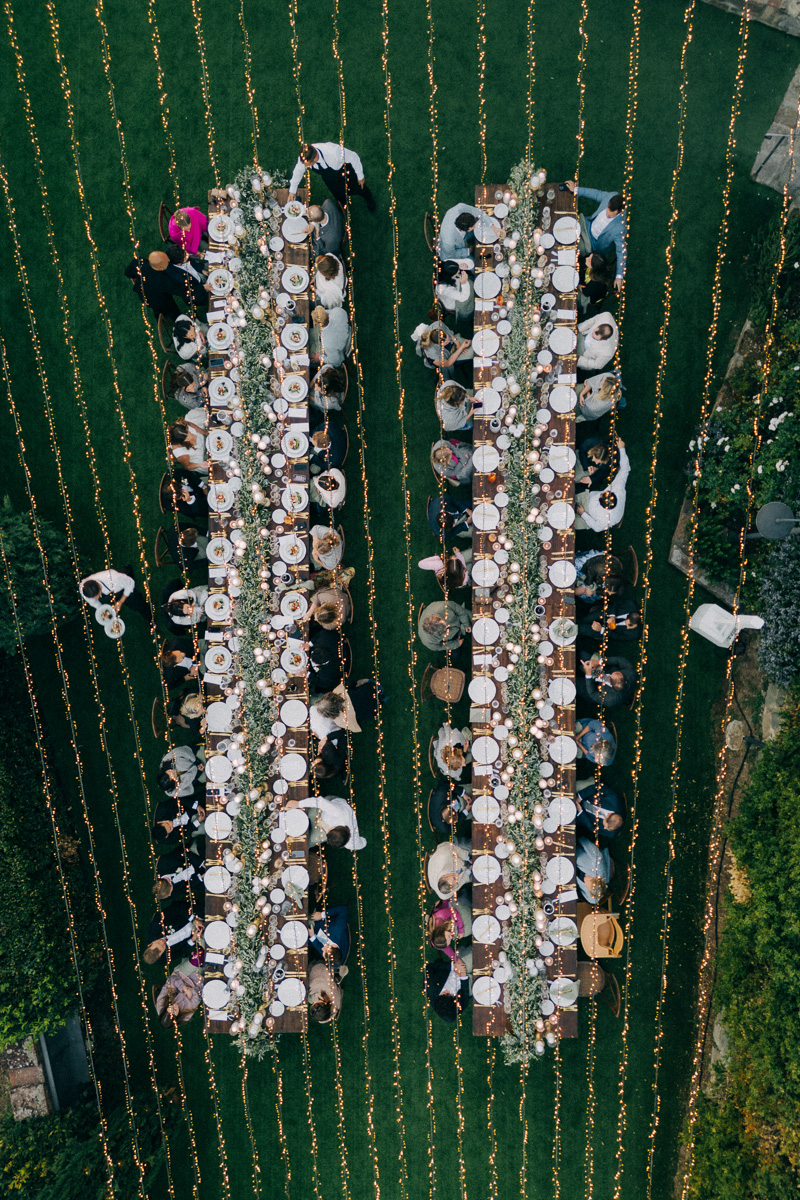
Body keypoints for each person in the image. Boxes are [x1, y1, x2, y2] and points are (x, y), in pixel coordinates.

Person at [565, 183, 627, 290]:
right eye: (607, 209)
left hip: (592, 243)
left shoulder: (619, 228)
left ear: (619, 212)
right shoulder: (612, 196)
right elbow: (596, 194)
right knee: (566, 226)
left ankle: (565, 274)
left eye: (611, 214)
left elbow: (621, 251)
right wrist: (576, 189)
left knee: (569, 247)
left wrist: (619, 276)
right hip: (587, 225)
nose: (607, 214)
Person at [288, 141, 375, 211]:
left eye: (308, 165)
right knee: (337, 192)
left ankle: (369, 199)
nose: (306, 167)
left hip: (343, 172)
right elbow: (298, 171)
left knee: (358, 188)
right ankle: (342, 202)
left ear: (315, 158)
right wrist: (292, 190)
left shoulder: (333, 152)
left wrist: (360, 176)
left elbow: (353, 157)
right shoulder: (304, 156)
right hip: (329, 178)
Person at [575, 438, 630, 532]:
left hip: (588, 517)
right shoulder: (618, 488)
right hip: (586, 496)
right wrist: (622, 449)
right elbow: (625, 469)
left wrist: (583, 514)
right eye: (604, 492)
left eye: (600, 496)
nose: (601, 493)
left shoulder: (605, 520)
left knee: (566, 522)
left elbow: (597, 528)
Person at [124, 251, 185, 319]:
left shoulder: (140, 286)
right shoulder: (151, 269)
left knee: (166, 309)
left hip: (156, 301)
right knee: (173, 308)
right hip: (162, 296)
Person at [437, 203, 500, 268]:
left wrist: (493, 227)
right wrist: (469, 250)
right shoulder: (448, 241)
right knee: (474, 265)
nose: (475, 226)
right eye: (473, 226)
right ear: (466, 229)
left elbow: (478, 212)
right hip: (453, 251)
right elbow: (451, 255)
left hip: (463, 236)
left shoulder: (460, 208)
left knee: (482, 229)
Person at [295, 794, 366, 851]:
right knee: (303, 813)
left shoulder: (351, 843)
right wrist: (298, 804)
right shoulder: (338, 812)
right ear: (335, 827)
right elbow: (320, 802)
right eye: (329, 831)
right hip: (323, 810)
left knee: (306, 844)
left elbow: (363, 843)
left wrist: (325, 827)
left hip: (324, 826)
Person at [143, 900, 203, 966]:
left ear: (150, 944)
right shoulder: (166, 956)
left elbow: (177, 907)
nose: (163, 942)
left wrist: (194, 919)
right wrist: (193, 939)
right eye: (163, 947)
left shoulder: (156, 926)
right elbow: (180, 951)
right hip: (195, 934)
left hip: (191, 914)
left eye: (158, 942)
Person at [79, 568, 151, 620]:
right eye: (95, 597)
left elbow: (130, 583)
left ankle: (151, 619)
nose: (98, 598)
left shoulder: (113, 578)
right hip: (113, 591)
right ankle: (127, 570)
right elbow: (95, 603)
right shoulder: (84, 590)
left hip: (120, 587)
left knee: (138, 603)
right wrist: (104, 611)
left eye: (98, 595)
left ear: (98, 584)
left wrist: (120, 602)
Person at [164, 243, 209, 311]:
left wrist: (201, 270)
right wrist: (203, 287)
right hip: (196, 291)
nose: (188, 256)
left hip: (199, 274)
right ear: (179, 263)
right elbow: (188, 292)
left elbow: (191, 262)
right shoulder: (176, 278)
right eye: (185, 257)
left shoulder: (177, 251)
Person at [425, 956, 470, 1022]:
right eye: (449, 994)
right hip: (466, 983)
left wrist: (453, 966)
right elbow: (465, 1001)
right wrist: (463, 977)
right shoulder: (450, 1013)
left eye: (445, 992)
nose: (448, 990)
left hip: (455, 968)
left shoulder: (429, 987)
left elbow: (430, 967)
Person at [308, 905, 350, 970]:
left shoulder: (334, 960)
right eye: (324, 950)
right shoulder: (338, 928)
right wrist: (322, 915)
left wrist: (312, 937)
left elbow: (320, 948)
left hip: (313, 936)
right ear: (331, 946)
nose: (321, 949)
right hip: (318, 923)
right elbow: (344, 910)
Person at [435, 261, 474, 326]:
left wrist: (463, 268)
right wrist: (464, 284)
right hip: (454, 303)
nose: (459, 272)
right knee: (471, 294)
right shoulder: (445, 289)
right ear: (450, 276)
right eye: (457, 272)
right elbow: (463, 298)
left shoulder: (444, 272)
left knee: (471, 284)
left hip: (456, 289)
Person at [575, 837, 612, 904]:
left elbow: (593, 900)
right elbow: (582, 838)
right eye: (587, 882)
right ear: (593, 877)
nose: (585, 885)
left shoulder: (592, 899)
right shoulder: (596, 859)